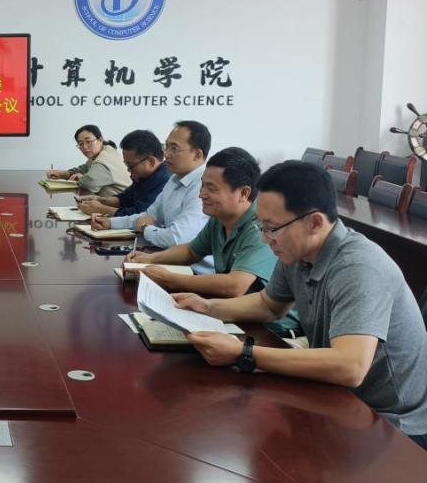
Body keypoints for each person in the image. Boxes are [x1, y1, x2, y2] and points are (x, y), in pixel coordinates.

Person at [177, 161, 427, 450]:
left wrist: (243, 353)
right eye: (261, 226)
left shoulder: (358, 267)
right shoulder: (297, 250)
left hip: (394, 424)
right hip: (342, 398)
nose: (265, 239)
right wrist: (207, 307)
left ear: (315, 223)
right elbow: (269, 304)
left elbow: (350, 366)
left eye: (272, 228)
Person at [125, 147, 300, 337]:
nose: (201, 194)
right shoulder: (220, 217)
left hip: (271, 331)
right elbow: (191, 251)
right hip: (231, 315)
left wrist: (170, 279)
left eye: (211, 188)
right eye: (202, 186)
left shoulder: (262, 226)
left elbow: (235, 285)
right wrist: (151, 259)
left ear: (243, 193)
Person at [93, 121, 211, 269]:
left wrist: (145, 228)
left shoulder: (203, 186)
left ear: (197, 154)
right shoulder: (174, 180)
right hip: (169, 260)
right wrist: (110, 223)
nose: (167, 154)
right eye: (166, 146)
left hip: (194, 271)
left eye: (174, 148)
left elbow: (176, 238)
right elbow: (149, 215)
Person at [77, 129, 171, 217]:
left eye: (131, 165)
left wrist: (102, 209)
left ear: (151, 162)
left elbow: (141, 215)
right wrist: (101, 200)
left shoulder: (166, 182)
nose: (128, 170)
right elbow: (125, 198)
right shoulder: (144, 176)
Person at [45, 124, 130, 195]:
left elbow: (89, 183)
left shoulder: (105, 159)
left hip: (124, 206)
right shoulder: (103, 152)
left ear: (100, 140)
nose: (85, 147)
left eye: (88, 141)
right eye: (81, 144)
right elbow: (85, 168)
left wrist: (81, 178)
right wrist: (65, 174)